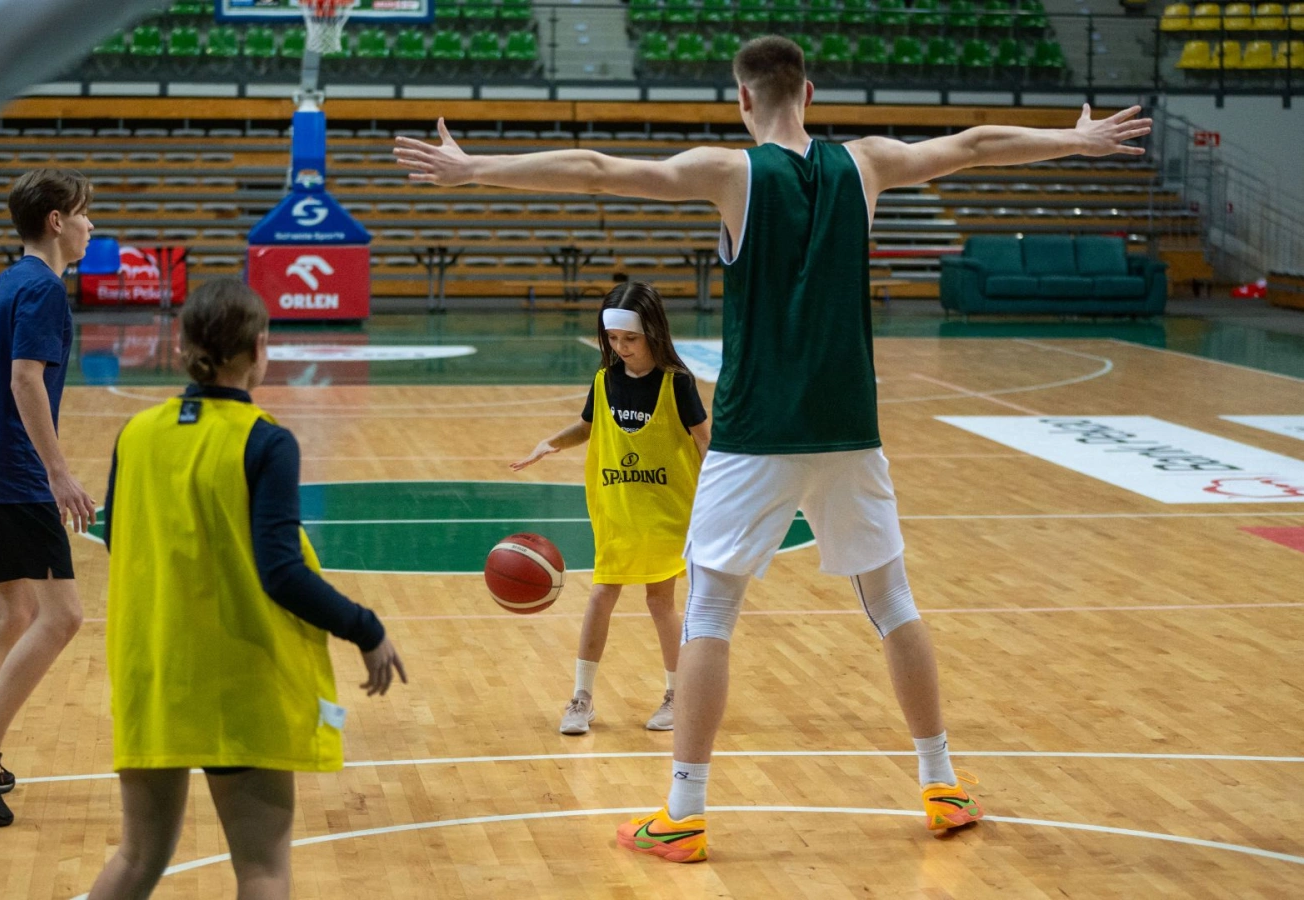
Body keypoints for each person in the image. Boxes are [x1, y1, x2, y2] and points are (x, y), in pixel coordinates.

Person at [393, 36, 1152, 862]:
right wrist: (1075, 140)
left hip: (756, 435)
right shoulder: (866, 164)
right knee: (893, 604)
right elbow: (973, 145)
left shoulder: (731, 173)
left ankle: (684, 812)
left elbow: (597, 169)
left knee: (710, 614)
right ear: (809, 92)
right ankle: (943, 784)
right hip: (849, 430)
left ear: (744, 99)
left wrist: (474, 170)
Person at [85, 279, 406, 899]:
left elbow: (119, 541)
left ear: (182, 345)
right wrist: (365, 628)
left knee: (137, 858)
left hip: (155, 671)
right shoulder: (265, 439)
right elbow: (281, 572)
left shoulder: (136, 432)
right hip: (239, 679)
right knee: (262, 870)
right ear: (260, 347)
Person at [0, 168, 97, 827]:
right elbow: (23, 380)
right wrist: (58, 473)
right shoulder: (41, 288)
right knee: (62, 617)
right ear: (57, 221)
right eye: (84, 213)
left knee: (15, 613)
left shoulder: (7, 283)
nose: (92, 224)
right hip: (13, 472)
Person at [511, 282, 709, 735]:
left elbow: (704, 440)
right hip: (616, 507)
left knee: (659, 600)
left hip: (667, 512)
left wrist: (718, 498)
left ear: (653, 333)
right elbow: (587, 425)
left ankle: (677, 694)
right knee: (601, 595)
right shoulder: (605, 379)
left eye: (630, 339)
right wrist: (551, 443)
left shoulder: (677, 383)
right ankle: (581, 698)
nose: (621, 348)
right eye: (614, 339)